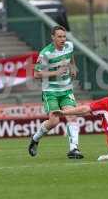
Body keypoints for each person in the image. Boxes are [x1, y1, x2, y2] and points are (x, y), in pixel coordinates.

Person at [28, 26, 83, 159]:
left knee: (72, 116)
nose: (63, 39)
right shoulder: (45, 53)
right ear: (53, 37)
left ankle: (74, 148)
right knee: (54, 122)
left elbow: (71, 57)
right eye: (59, 36)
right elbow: (36, 74)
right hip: (50, 91)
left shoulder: (69, 46)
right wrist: (55, 72)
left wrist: (73, 67)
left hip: (66, 90)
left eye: (64, 36)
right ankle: (35, 139)